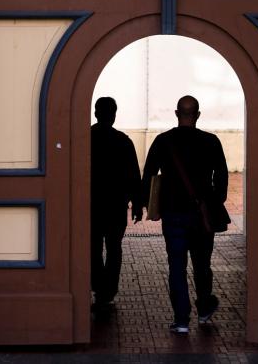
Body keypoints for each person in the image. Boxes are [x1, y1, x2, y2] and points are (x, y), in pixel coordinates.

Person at [141, 95, 228, 334]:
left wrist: (146, 205)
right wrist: (213, 203)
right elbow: (221, 179)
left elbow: (149, 175)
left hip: (173, 214)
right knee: (202, 264)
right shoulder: (211, 142)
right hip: (201, 215)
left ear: (177, 113)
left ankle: (181, 320)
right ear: (197, 115)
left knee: (176, 266)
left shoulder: (163, 141)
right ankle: (203, 309)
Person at [90, 97, 142, 309]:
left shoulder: (85, 138)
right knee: (114, 248)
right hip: (115, 205)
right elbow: (133, 175)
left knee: (92, 248)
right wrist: (137, 204)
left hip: (92, 204)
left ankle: (98, 286)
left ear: (96, 113)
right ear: (114, 114)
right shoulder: (123, 141)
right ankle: (108, 290)